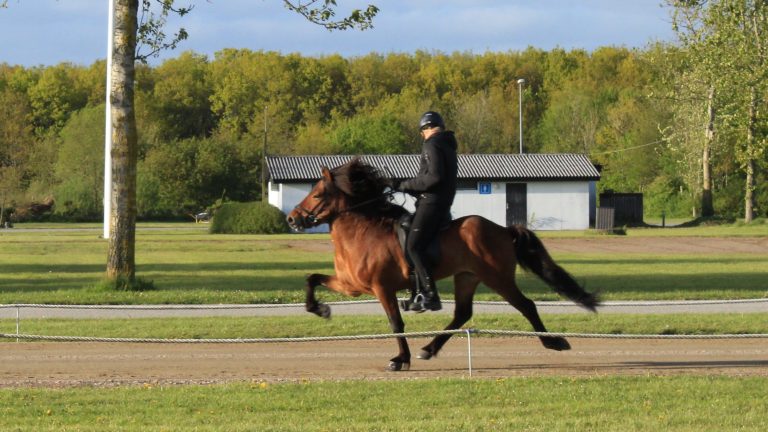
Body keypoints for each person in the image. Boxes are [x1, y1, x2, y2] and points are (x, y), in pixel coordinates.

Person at [395, 111, 458, 312]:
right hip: (440, 201)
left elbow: (434, 178)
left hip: (432, 203)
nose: (422, 135)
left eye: (422, 131)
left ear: (425, 129)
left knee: (414, 246)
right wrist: (409, 187)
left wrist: (403, 185)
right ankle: (417, 294)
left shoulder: (431, 144)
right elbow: (433, 181)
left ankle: (431, 295)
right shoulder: (447, 144)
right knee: (407, 226)